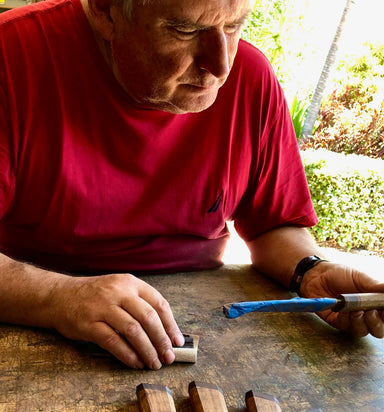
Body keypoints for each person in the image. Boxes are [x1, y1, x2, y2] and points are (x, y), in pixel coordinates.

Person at [0, 0, 383, 371]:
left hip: (206, 323)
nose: (220, 66)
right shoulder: (11, 56)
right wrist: (59, 297)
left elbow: (272, 223)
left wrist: (310, 271)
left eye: (233, 26)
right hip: (37, 317)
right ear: (106, 10)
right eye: (185, 29)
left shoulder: (251, 77)